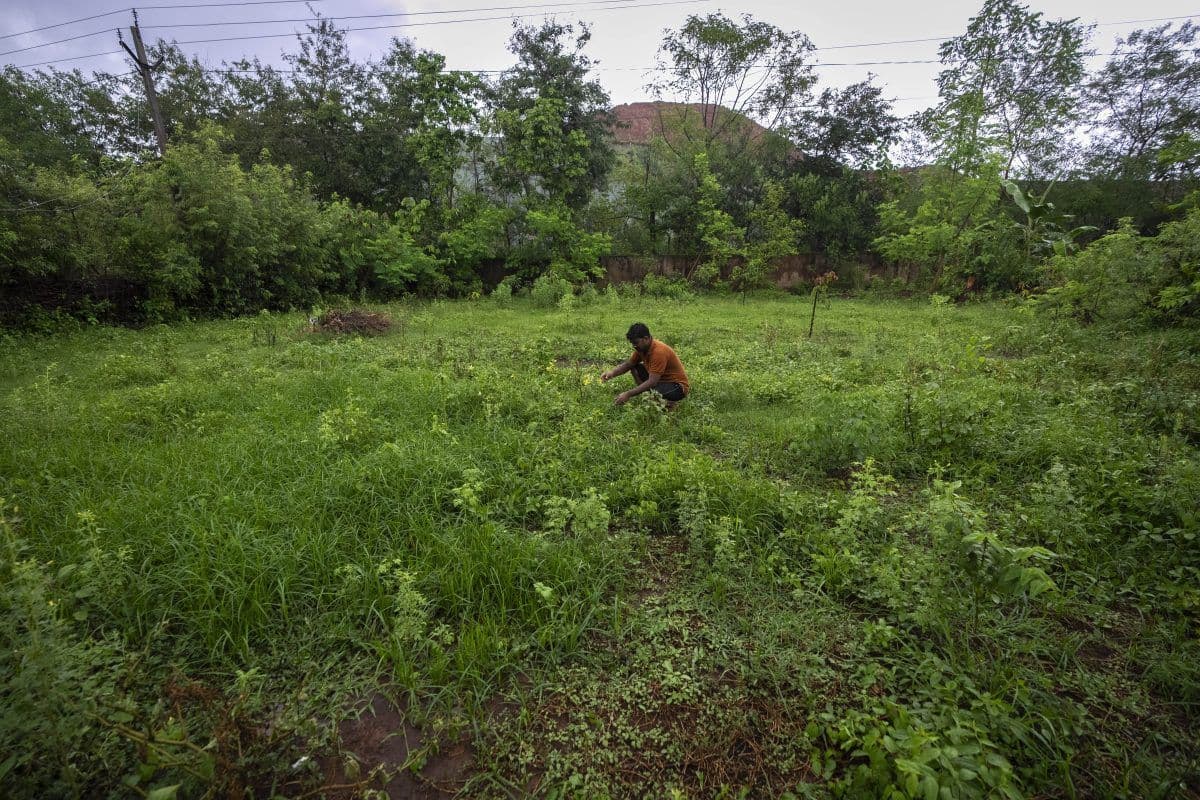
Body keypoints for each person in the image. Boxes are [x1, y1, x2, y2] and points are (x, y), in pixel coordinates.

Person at [600, 322, 689, 406]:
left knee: (653, 393)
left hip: (676, 387)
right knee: (634, 367)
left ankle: (668, 404)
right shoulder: (642, 349)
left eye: (636, 343)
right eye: (632, 343)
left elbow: (652, 382)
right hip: (660, 380)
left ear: (646, 338)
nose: (634, 346)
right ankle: (650, 395)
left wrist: (628, 394)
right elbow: (628, 364)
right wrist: (612, 373)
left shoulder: (659, 352)